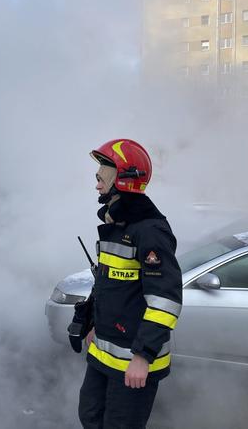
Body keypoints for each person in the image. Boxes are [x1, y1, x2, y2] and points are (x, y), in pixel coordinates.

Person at [74, 139, 182, 429]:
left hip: (133, 360)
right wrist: (96, 323)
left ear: (121, 179)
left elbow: (165, 301)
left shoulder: (150, 231)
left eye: (100, 178)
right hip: (103, 352)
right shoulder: (116, 225)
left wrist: (142, 357)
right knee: (91, 417)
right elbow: (111, 286)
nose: (97, 185)